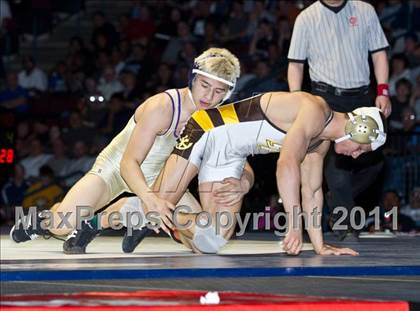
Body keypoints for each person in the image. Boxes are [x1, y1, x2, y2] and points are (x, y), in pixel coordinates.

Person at [66, 91, 384, 256]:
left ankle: (151, 216)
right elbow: (286, 164)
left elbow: (312, 192)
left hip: (230, 150)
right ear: (358, 130)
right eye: (363, 148)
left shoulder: (321, 144)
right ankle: (92, 222)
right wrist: (294, 227)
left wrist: (318, 245)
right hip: (207, 127)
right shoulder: (315, 110)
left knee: (213, 239)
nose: (358, 155)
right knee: (159, 205)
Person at [10, 48, 252, 244]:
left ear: (226, 95)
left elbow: (240, 163)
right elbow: (129, 163)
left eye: (218, 91)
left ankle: (124, 213)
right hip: (116, 168)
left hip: (160, 179)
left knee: (205, 235)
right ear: (193, 80)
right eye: (204, 85)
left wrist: (244, 182)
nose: (209, 97)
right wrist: (150, 199)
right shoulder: (163, 107)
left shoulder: (218, 118)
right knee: (62, 226)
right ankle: (42, 221)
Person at [287, 0, 391, 239]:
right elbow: (295, 64)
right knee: (337, 167)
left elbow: (379, 53)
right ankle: (345, 224)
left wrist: (383, 91)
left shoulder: (365, 10)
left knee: (375, 163)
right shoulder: (307, 17)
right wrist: (295, 100)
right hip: (325, 99)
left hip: (362, 97)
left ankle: (336, 199)